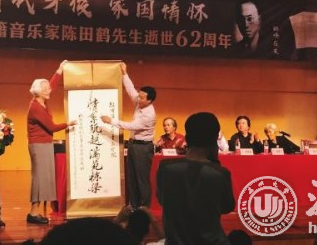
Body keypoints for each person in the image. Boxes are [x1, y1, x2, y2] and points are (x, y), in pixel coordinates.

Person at [156, 112, 235, 245]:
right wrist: (215, 163)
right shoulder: (220, 173)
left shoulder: (165, 168)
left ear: (187, 138)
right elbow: (227, 207)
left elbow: (161, 200)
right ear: (215, 139)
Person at [27, 61, 77, 224]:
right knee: (40, 179)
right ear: (38, 92)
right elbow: (51, 127)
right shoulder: (36, 107)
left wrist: (59, 71)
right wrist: (68, 124)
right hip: (39, 145)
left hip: (45, 144)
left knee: (44, 178)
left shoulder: (42, 101)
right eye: (45, 89)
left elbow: (52, 86)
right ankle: (33, 213)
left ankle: (35, 213)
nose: (49, 90)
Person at [101, 62, 156, 208]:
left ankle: (144, 208)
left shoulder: (149, 114)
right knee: (131, 178)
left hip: (143, 148)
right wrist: (124, 73)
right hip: (133, 145)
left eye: (142, 97)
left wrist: (111, 121)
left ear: (149, 101)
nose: (138, 98)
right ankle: (133, 206)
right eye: (139, 95)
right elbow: (130, 89)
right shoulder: (140, 102)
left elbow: (132, 126)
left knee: (141, 179)